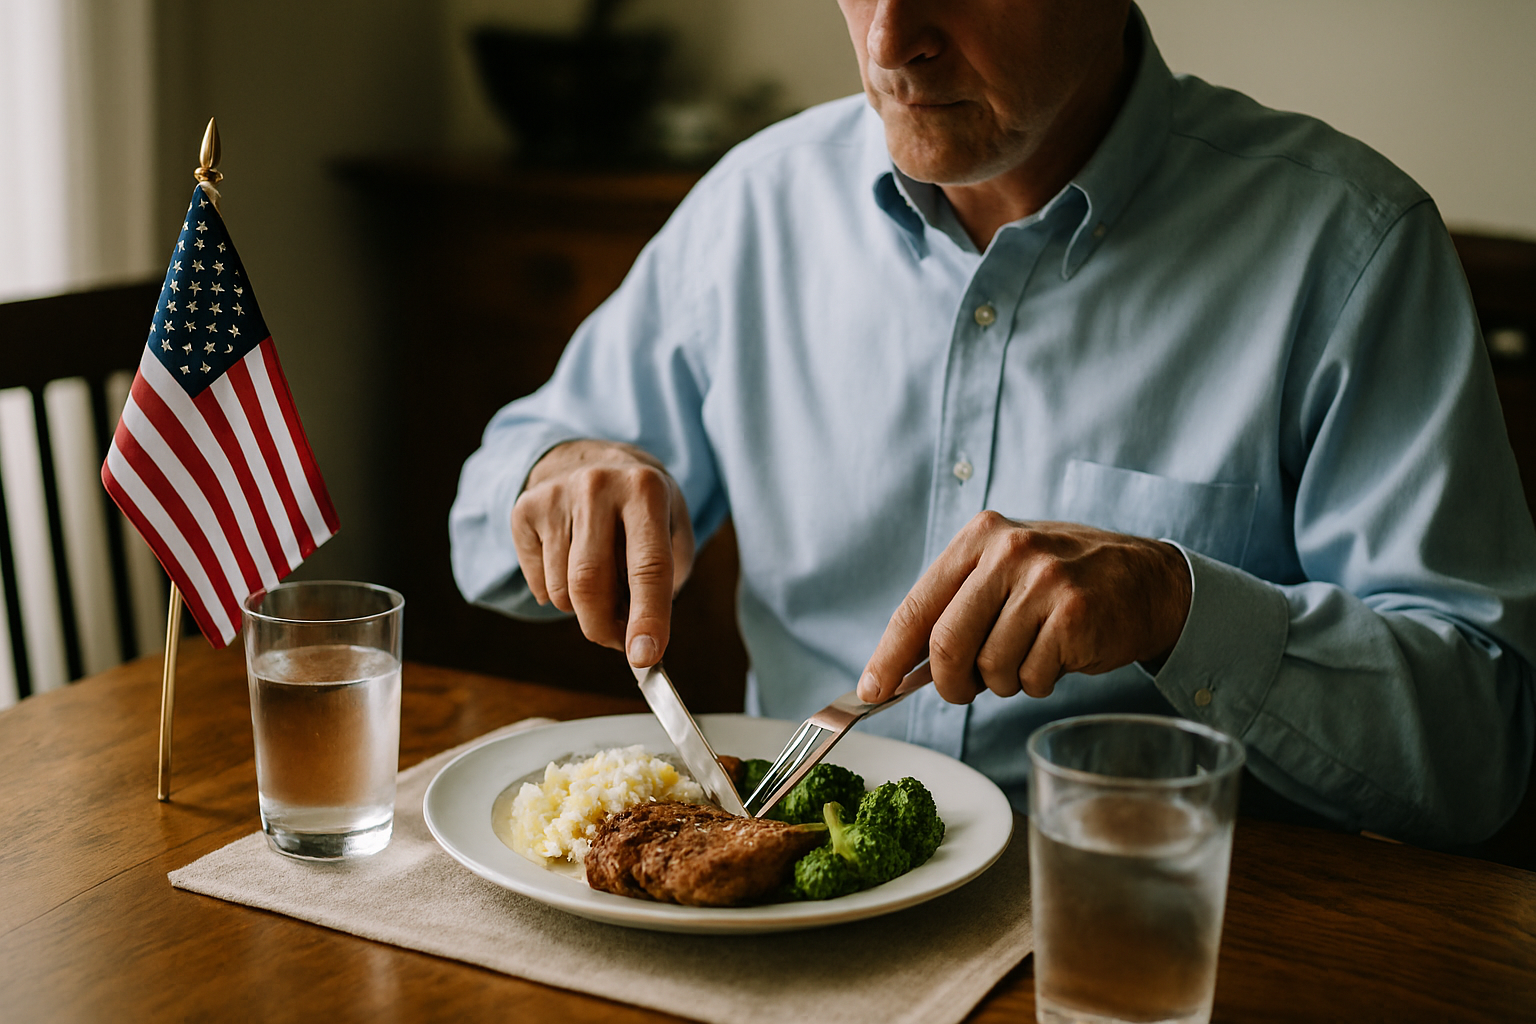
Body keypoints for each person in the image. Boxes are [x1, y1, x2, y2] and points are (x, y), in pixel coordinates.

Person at [450, 0, 1536, 847]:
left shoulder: (1348, 251)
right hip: (773, 938)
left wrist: (1177, 605)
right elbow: (479, 532)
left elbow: (1478, 750)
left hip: (1145, 942)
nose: (891, 39)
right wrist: (560, 472)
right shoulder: (755, 207)